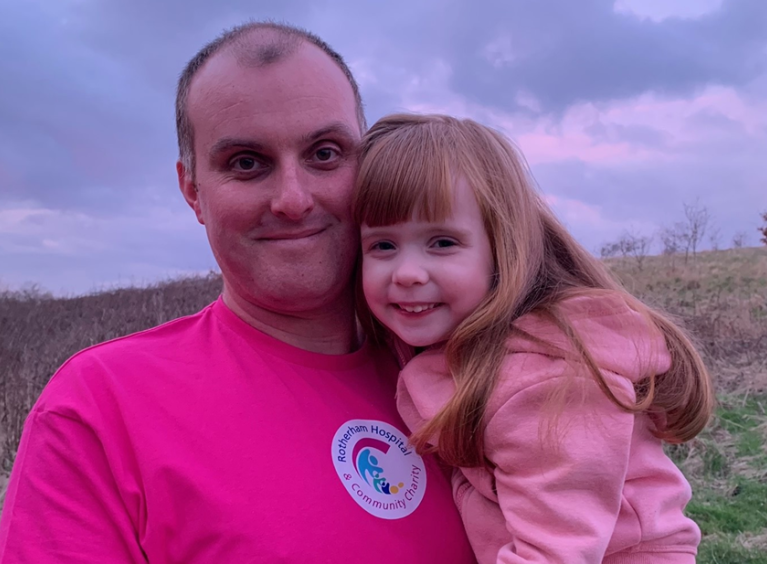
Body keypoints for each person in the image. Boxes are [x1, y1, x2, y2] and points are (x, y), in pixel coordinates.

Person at [0, 25, 477, 563]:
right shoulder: (97, 412)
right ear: (193, 192)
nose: (293, 200)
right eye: (247, 163)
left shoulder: (489, 369)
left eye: (325, 153)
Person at [353, 113, 715, 564]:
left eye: (442, 243)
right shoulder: (453, 342)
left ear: (502, 248)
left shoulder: (546, 378)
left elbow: (556, 551)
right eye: (382, 245)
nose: (406, 273)